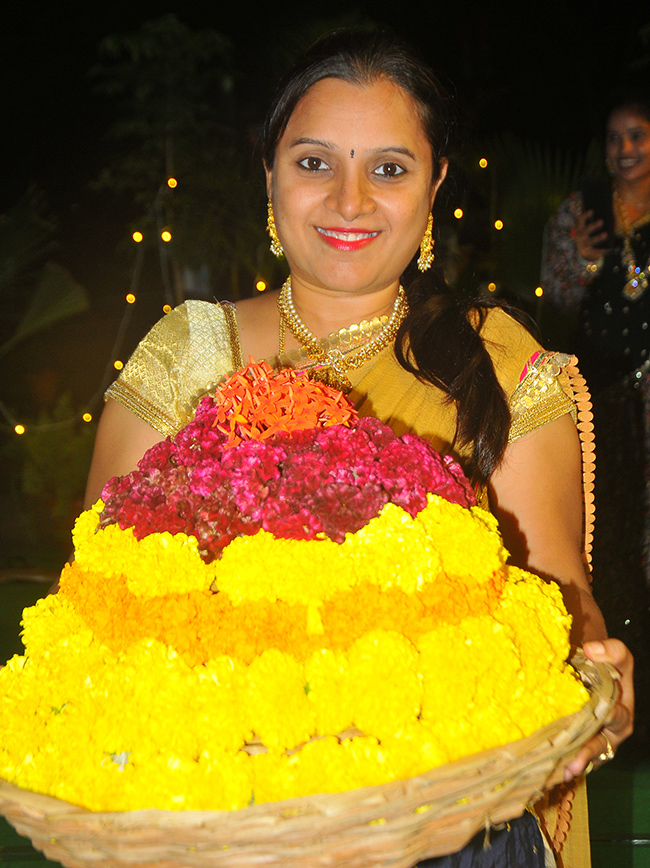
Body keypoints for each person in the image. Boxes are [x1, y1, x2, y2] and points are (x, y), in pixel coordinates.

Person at [85, 30, 633, 868]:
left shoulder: (499, 365)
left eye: (387, 167)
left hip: (450, 824)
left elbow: (563, 600)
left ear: (434, 185)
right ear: (269, 176)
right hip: (222, 816)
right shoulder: (192, 352)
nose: (349, 201)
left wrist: (597, 676)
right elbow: (104, 607)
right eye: (313, 163)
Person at [542, 89, 650, 593]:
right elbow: (556, 298)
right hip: (600, 387)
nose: (624, 148)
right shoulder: (582, 207)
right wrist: (583, 258)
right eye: (614, 138)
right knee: (605, 505)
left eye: (637, 135)